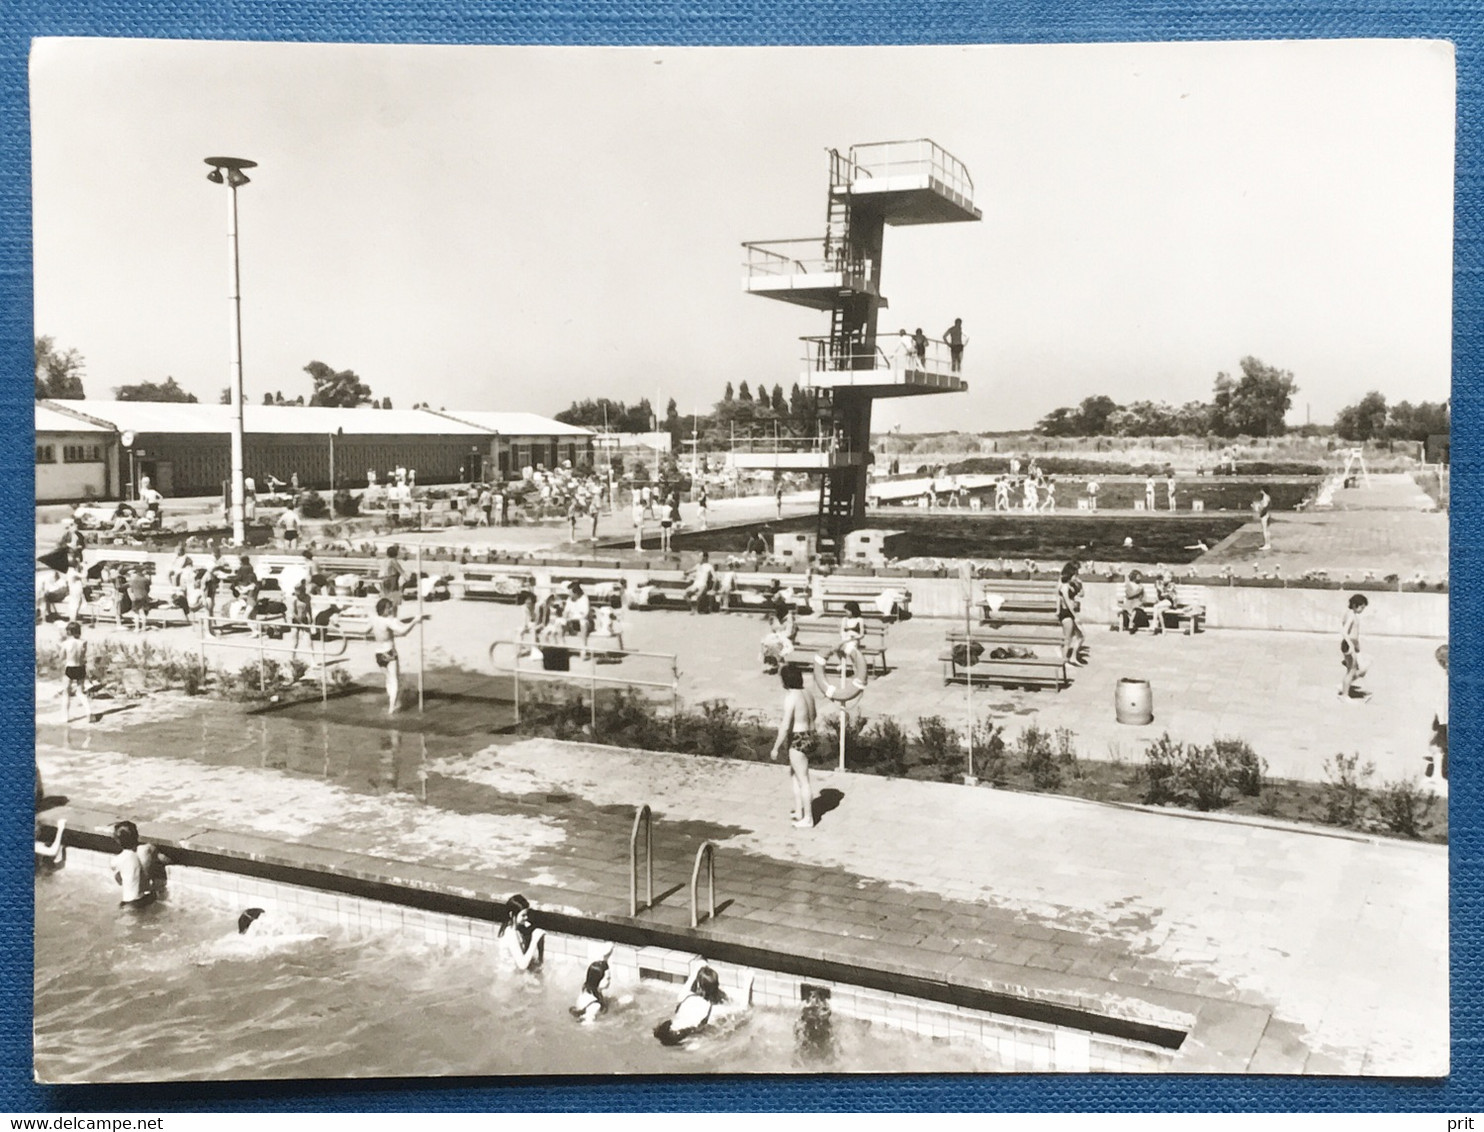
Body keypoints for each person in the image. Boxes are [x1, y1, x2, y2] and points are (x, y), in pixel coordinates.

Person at [771, 666, 818, 829]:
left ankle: (808, 818)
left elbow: (785, 726)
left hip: (797, 738)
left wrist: (775, 747)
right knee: (795, 775)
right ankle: (799, 811)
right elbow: (814, 715)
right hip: (810, 735)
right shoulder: (808, 693)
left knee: (803, 779)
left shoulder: (791, 697)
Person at [369, 597, 426, 714]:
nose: (391, 610)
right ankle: (391, 707)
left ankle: (392, 702)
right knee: (394, 679)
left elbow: (365, 630)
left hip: (378, 653)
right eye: (388, 608)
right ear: (383, 609)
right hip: (389, 652)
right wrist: (414, 621)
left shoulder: (374, 619)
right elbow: (403, 631)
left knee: (388, 678)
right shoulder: (388, 621)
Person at [654, 963, 734, 1046]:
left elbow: (692, 977)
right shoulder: (715, 1010)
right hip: (682, 1036)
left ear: (698, 984)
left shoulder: (685, 995)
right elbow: (738, 1010)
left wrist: (702, 965)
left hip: (664, 1030)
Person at [110, 820, 164, 908]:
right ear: (137, 836)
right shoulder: (147, 849)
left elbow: (119, 881)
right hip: (146, 898)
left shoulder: (116, 860)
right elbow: (163, 858)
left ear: (117, 841)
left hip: (129, 902)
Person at [61, 620, 97, 723]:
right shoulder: (83, 642)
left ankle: (65, 717)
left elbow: (61, 656)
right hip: (80, 668)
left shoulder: (65, 643)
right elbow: (82, 656)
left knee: (66, 692)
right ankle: (89, 712)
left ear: (68, 632)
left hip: (70, 667)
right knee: (80, 692)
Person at [499, 893, 545, 971]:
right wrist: (535, 940)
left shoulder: (516, 928)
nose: (526, 918)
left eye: (527, 915)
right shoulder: (510, 934)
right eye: (523, 915)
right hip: (510, 975)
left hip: (514, 972)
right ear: (512, 914)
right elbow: (522, 965)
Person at [1339, 594, 1371, 701]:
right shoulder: (1351, 616)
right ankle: (1344, 695)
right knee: (1352, 671)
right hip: (1350, 646)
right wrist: (1351, 646)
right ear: (1354, 605)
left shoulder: (1349, 614)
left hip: (1351, 646)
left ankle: (1345, 687)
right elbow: (1344, 631)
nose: (1362, 610)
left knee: (1360, 669)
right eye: (1361, 607)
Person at [1057, 561, 1085, 667]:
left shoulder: (1072, 585)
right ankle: (1064, 661)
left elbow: (1082, 594)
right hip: (1066, 614)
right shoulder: (1064, 586)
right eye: (1075, 575)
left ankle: (1073, 657)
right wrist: (1075, 616)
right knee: (1068, 639)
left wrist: (1080, 584)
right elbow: (1068, 603)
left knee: (1080, 636)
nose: (1076, 576)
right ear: (1070, 574)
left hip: (1070, 613)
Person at [760, 598, 797, 674]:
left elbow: (789, 632)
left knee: (775, 644)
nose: (777, 612)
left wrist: (778, 636)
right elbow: (773, 629)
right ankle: (773, 662)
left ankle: (780, 663)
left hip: (787, 639)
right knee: (765, 642)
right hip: (778, 637)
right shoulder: (776, 618)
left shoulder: (789, 618)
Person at [570, 959, 612, 1023]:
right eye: (608, 978)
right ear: (598, 980)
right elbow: (588, 1025)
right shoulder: (595, 1005)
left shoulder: (586, 991)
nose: (610, 981)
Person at [379, 545, 407, 614]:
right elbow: (401, 571)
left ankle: (385, 615)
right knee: (394, 600)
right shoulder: (393, 561)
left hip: (384, 580)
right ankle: (394, 617)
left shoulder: (385, 560)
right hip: (392, 580)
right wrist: (407, 578)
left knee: (386, 599)